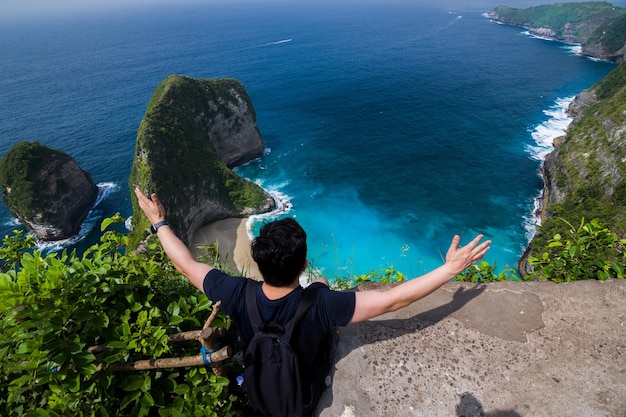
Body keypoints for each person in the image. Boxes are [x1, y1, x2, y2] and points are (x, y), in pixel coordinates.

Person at [134, 187, 491, 415]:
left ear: (258, 262)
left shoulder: (235, 293)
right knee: (320, 286)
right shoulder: (323, 305)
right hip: (303, 401)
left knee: (318, 287)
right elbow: (392, 301)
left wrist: (159, 222)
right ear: (302, 263)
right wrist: (449, 269)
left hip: (259, 398)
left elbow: (185, 264)